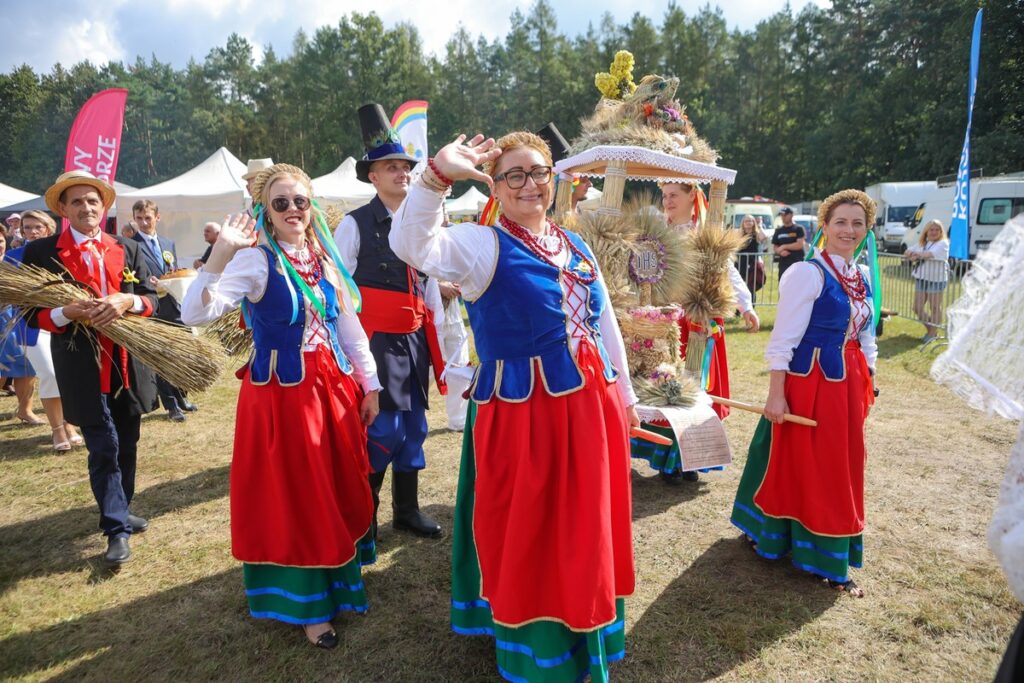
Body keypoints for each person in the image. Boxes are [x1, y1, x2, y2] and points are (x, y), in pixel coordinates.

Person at [391, 131, 640, 683]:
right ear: (496, 187)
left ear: (553, 180)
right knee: (533, 526)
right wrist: (436, 177)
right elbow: (412, 245)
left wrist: (624, 397)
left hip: (589, 408)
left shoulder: (575, 246)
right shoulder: (481, 246)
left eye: (539, 172)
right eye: (514, 175)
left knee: (584, 524)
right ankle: (537, 643)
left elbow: (604, 327)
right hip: (524, 414)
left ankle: (585, 625)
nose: (530, 184)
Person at [182, 163, 380, 649]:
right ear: (265, 213)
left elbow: (349, 329)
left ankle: (339, 584)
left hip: (332, 388)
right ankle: (308, 607)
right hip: (283, 398)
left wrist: (370, 384)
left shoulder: (324, 260)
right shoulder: (254, 262)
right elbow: (196, 314)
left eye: (301, 202)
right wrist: (220, 254)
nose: (294, 210)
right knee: (298, 495)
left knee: (333, 486)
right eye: (281, 203)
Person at [730, 189, 877, 598]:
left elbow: (866, 335)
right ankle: (799, 546)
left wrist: (871, 379)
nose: (849, 230)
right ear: (824, 227)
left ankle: (814, 546)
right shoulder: (807, 273)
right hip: (807, 383)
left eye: (857, 223)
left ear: (866, 230)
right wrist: (776, 395)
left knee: (839, 464)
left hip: (845, 384)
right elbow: (783, 340)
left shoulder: (861, 276)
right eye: (841, 222)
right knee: (798, 460)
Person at [22, 171, 159, 564]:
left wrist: (126, 303)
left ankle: (122, 505)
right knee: (104, 445)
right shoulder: (42, 253)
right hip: (81, 365)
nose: (86, 208)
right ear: (63, 209)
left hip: (127, 363)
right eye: (77, 202)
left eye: (93, 200)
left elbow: (151, 298)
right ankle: (115, 526)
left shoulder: (127, 247)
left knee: (128, 439)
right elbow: (31, 314)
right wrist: (66, 312)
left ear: (104, 206)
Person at [334, 103, 446, 539]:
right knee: (380, 429)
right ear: (372, 176)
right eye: (391, 167)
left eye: (406, 166)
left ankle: (407, 509)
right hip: (375, 343)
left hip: (414, 342)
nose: (402, 173)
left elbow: (430, 284)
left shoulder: (424, 223)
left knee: (415, 426)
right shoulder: (353, 225)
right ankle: (365, 515)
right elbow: (340, 293)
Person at [660, 180, 759, 482]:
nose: (667, 201)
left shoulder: (706, 232)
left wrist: (747, 306)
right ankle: (667, 458)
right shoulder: (658, 231)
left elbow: (728, 271)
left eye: (674, 195)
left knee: (699, 386)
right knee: (667, 388)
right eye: (664, 196)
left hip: (700, 321)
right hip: (671, 323)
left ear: (693, 196)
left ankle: (689, 459)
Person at [5, 210, 85, 451]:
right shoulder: (13, 256)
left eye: (36, 227)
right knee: (50, 374)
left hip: (65, 323)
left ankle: (69, 423)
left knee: (67, 375)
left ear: (48, 228)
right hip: (31, 327)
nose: (31, 232)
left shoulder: (58, 254)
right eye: (27, 227)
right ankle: (57, 430)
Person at [131, 199, 196, 421]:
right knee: (162, 357)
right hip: (153, 309)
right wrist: (148, 282)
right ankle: (171, 405)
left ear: (157, 217)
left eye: (147, 218)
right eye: (139, 218)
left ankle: (182, 396)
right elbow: (133, 277)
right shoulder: (131, 245)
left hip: (174, 305)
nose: (143, 222)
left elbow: (172, 270)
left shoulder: (168, 243)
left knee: (181, 353)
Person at [0, 229, 44, 427]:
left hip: (18, 319)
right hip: (2, 320)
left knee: (26, 364)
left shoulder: (14, 260)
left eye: (0, 240)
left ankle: (25, 410)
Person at [904, 219, 949, 342]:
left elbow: (929, 254)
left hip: (936, 280)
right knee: (917, 308)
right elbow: (907, 251)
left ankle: (932, 333)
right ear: (926, 231)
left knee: (934, 307)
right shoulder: (924, 243)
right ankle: (932, 330)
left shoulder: (943, 243)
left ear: (941, 232)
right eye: (931, 229)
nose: (934, 232)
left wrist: (916, 255)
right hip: (922, 278)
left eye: (937, 230)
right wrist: (914, 253)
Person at [736, 213, 767, 303]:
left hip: (753, 264)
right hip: (740, 262)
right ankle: (738, 310)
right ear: (743, 223)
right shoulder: (739, 233)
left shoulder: (757, 234)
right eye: (746, 221)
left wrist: (760, 225)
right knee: (739, 286)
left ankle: (751, 307)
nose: (748, 222)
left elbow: (764, 237)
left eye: (750, 221)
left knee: (751, 286)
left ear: (754, 222)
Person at [771, 206, 805, 279]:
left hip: (797, 262)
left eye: (785, 215)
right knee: (783, 285)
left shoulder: (798, 228)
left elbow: (799, 244)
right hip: (783, 264)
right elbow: (775, 246)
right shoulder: (778, 230)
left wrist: (784, 246)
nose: (783, 217)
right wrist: (780, 252)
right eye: (781, 215)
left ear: (791, 215)